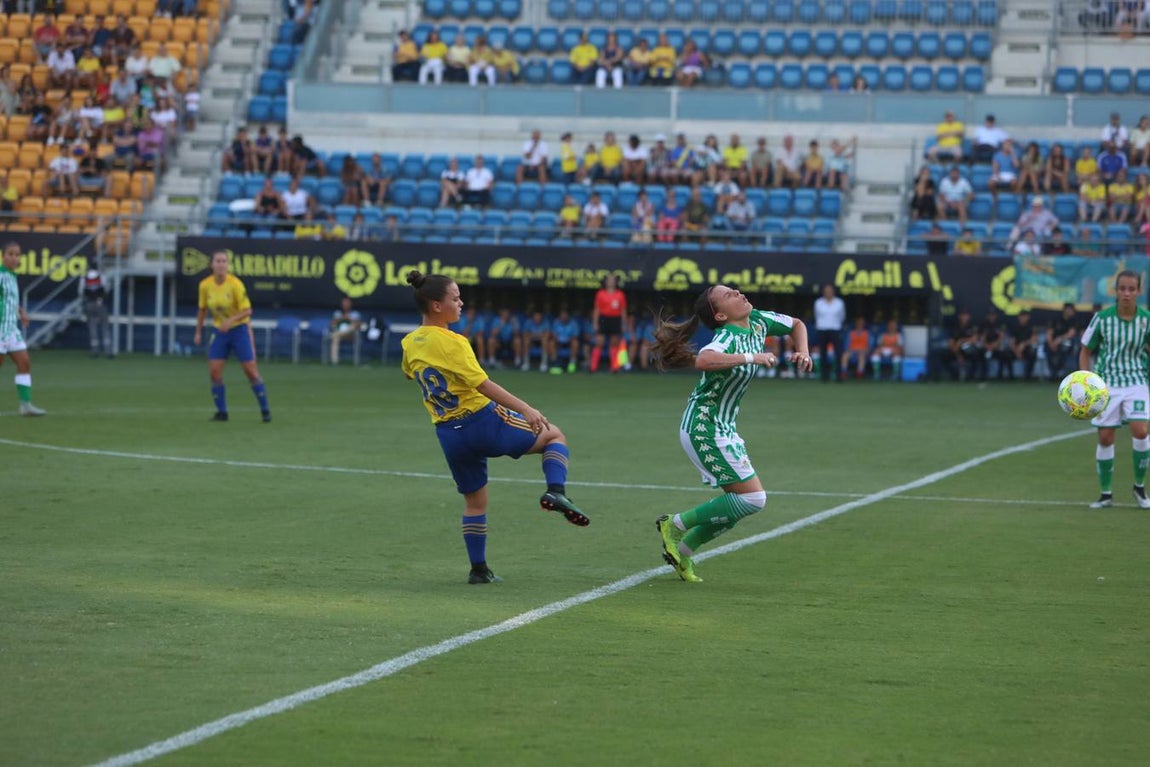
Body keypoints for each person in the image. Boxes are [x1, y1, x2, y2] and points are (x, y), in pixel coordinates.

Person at [400, 271, 590, 584]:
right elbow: (483, 385)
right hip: (481, 420)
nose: (461, 303)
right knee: (554, 435)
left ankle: (479, 570)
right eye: (455, 298)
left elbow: (411, 374)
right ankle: (556, 491)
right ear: (436, 305)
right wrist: (526, 409)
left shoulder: (409, 343)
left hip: (449, 434)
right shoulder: (454, 342)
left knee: (475, 501)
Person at [651, 284, 812, 582]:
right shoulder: (726, 337)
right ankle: (674, 525)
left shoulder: (759, 321)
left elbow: (797, 324)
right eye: (728, 295)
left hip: (724, 427)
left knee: (738, 506)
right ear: (722, 315)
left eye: (735, 290)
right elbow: (704, 360)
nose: (738, 293)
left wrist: (802, 350)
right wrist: (753, 358)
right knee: (753, 499)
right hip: (704, 426)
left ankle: (682, 554)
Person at [1079, 270, 1150, 509]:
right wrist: (1085, 381)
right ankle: (1105, 494)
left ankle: (1139, 488)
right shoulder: (1102, 318)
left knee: (1141, 431)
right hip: (1107, 384)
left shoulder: (1146, 319)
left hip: (1136, 381)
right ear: (1116, 291)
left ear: (1139, 291)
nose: (1127, 294)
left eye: (1132, 289)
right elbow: (1086, 349)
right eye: (1122, 289)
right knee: (1105, 436)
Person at [193, 250, 271, 423]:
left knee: (250, 371)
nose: (221, 264)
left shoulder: (235, 284)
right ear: (211, 265)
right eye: (218, 261)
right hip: (219, 333)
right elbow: (202, 309)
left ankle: (265, 409)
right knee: (214, 372)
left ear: (228, 265)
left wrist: (231, 320)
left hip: (239, 330)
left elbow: (247, 310)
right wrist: (198, 332)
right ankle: (222, 413)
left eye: (224, 261)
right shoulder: (205, 285)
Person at [0, 243, 46, 416]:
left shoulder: (12, 276)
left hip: (12, 328)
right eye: (10, 254)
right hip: (0, 327)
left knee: (24, 363)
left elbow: (9, 298)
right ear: (3, 255)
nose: (14, 258)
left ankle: (25, 405)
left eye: (17, 255)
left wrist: (21, 312)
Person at [590, 274, 627, 374]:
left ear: (615, 282)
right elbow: (597, 309)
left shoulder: (620, 294)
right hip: (603, 319)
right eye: (609, 280)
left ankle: (614, 367)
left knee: (614, 343)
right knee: (599, 342)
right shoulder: (600, 294)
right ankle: (593, 367)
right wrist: (595, 322)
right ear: (606, 282)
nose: (611, 282)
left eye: (613, 280)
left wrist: (623, 323)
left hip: (615, 319)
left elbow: (623, 310)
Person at [813, 283, 845, 382]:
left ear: (833, 291)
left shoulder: (839, 303)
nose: (828, 292)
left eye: (830, 290)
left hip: (835, 330)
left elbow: (842, 317)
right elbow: (817, 316)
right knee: (823, 353)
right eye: (826, 290)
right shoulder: (818, 302)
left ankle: (839, 375)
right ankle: (824, 376)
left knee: (838, 353)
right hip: (822, 330)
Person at [80, 265, 113, 358]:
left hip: (89, 304)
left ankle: (95, 350)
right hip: (100, 303)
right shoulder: (101, 276)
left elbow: (81, 291)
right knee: (105, 326)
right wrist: (101, 298)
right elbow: (107, 288)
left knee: (92, 327)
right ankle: (108, 350)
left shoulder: (84, 277)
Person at [328, 297, 362, 365]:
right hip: (340, 335)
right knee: (335, 338)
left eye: (347, 303)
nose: (345, 305)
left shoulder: (355, 314)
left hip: (351, 335)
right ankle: (335, 362)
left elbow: (359, 325)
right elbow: (331, 324)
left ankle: (335, 334)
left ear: (350, 304)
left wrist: (350, 318)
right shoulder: (337, 313)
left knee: (352, 327)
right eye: (344, 303)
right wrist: (341, 318)